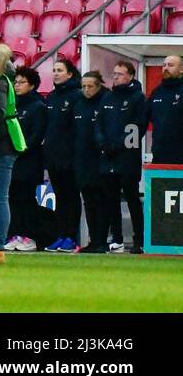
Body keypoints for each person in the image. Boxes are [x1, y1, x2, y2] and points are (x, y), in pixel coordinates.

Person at [102, 60, 147, 253]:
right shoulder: (108, 98)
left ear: (130, 76)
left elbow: (137, 127)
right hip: (107, 157)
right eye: (114, 74)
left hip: (127, 157)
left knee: (132, 199)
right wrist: (103, 144)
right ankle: (117, 238)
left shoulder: (138, 98)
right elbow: (99, 125)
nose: (116, 77)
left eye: (119, 74)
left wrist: (118, 145)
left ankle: (139, 240)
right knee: (110, 200)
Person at [3, 66, 48, 254]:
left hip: (29, 161)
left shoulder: (38, 107)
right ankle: (14, 234)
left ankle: (29, 236)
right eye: (16, 82)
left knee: (26, 198)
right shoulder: (12, 105)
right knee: (12, 198)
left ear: (32, 85)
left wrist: (20, 149)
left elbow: (36, 136)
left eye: (21, 82)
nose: (17, 85)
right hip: (12, 161)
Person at [44, 56, 82, 252]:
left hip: (70, 157)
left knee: (71, 196)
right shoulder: (51, 97)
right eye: (54, 70)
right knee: (60, 196)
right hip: (53, 156)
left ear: (69, 73)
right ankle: (61, 235)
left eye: (60, 70)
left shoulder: (76, 96)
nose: (56, 74)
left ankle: (71, 237)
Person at [72, 70, 112, 254]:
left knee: (101, 201)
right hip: (82, 160)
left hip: (101, 160)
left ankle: (103, 240)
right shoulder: (79, 104)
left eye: (90, 86)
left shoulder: (106, 102)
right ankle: (93, 240)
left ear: (99, 86)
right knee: (88, 202)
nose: (86, 90)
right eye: (84, 86)